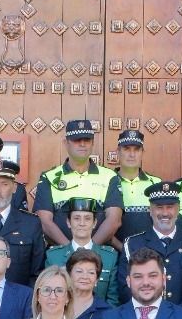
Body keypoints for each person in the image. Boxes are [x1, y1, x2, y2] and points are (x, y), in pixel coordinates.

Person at [117, 181, 182, 310]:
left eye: (170, 207)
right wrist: (150, 312)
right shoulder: (132, 244)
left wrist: (179, 314)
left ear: (178, 209)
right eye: (159, 207)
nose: (165, 213)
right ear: (150, 210)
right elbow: (125, 286)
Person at [34, 118, 122, 246]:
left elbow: (114, 220)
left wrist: (89, 250)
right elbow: (44, 221)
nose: (82, 144)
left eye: (87, 140)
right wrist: (70, 250)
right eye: (76, 140)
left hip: (99, 255)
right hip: (61, 255)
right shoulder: (49, 177)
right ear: (66, 143)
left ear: (92, 143)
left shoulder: (109, 176)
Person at [45, 197, 119, 304]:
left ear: (94, 223)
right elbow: (49, 294)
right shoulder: (53, 256)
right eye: (76, 218)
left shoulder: (109, 257)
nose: (82, 223)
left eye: (87, 218)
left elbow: (113, 300)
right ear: (68, 222)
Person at [109, 128, 159, 243]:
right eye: (126, 149)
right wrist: (124, 250)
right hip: (115, 254)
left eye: (136, 150)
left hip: (148, 255)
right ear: (118, 151)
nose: (132, 154)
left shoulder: (155, 183)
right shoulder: (108, 182)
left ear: (142, 152)